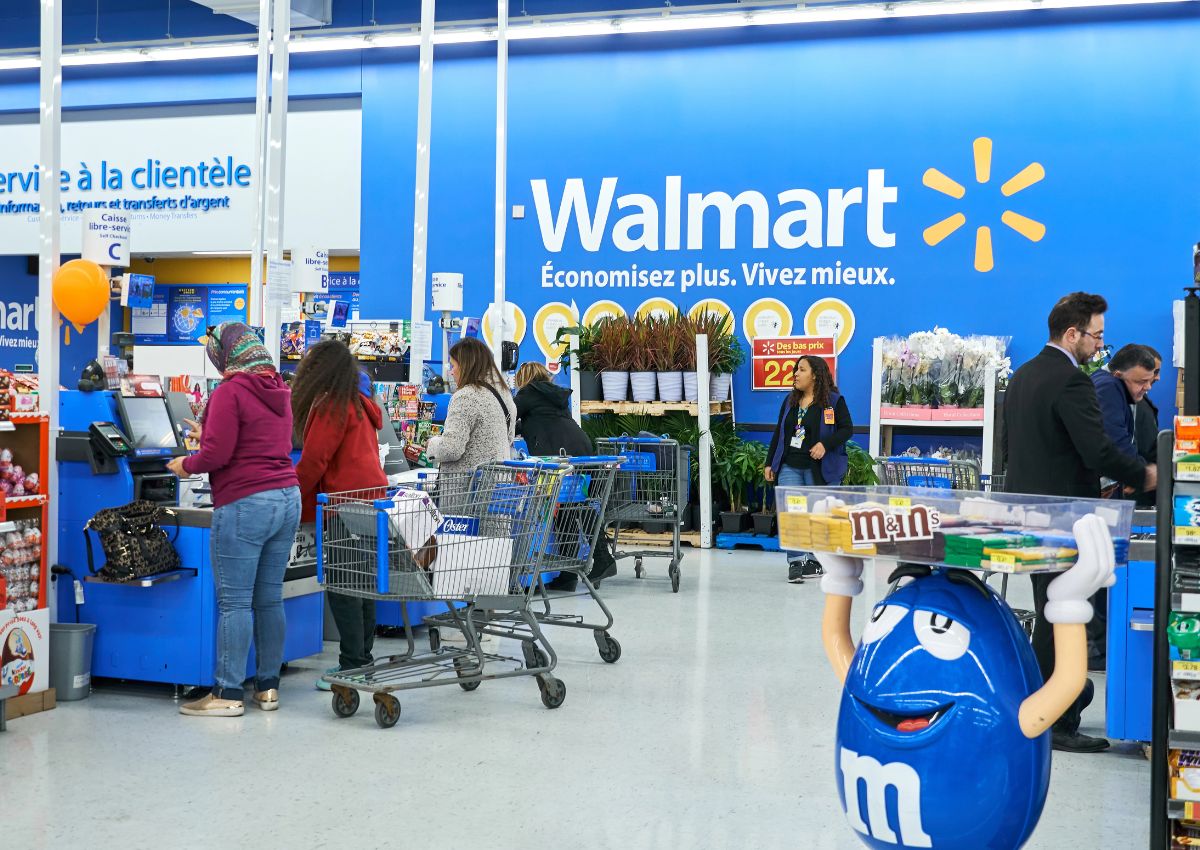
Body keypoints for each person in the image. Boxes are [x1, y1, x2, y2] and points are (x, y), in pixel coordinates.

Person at [1000, 292, 1155, 753]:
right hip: (1066, 513)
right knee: (1064, 615)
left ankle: (1056, 703)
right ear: (1073, 334)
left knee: (1049, 610)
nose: (1099, 346)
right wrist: (1147, 473)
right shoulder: (1072, 381)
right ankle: (1058, 720)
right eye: (1096, 336)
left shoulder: (1023, 376)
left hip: (1028, 509)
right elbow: (1097, 451)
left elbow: (1015, 448)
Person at [167, 322, 301, 718]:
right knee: (268, 597)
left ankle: (226, 693)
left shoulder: (229, 391)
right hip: (285, 498)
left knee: (236, 602)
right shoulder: (279, 389)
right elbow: (258, 440)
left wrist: (184, 465)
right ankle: (268, 688)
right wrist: (208, 431)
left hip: (246, 502)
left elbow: (216, 457)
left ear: (226, 353)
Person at [290, 340, 388, 692]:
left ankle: (352, 665)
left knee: (344, 584)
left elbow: (315, 460)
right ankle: (363, 658)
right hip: (372, 499)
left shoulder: (331, 403)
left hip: (344, 503)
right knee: (363, 583)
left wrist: (291, 495)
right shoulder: (362, 402)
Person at [512, 362, 617, 591]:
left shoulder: (528, 392)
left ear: (524, 378)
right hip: (580, 447)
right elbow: (541, 421)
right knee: (573, 505)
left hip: (561, 454)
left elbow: (509, 415)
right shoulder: (553, 396)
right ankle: (571, 573)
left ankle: (601, 561)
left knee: (568, 507)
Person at [1089, 343, 1158, 671]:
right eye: (1141, 380)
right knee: (1102, 574)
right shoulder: (1109, 389)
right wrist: (1142, 474)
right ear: (1119, 374)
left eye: (1152, 379)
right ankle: (1100, 648)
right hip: (1102, 497)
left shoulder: (1114, 389)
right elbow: (1115, 443)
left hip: (1108, 493)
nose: (1147, 386)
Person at [764, 355, 853, 584]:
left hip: (820, 469)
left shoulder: (834, 401)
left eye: (801, 369)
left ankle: (815, 561)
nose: (795, 373)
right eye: (796, 369)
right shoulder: (790, 401)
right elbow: (779, 433)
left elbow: (847, 430)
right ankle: (795, 562)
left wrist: (825, 445)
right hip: (790, 466)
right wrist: (769, 462)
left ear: (815, 374)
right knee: (792, 515)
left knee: (818, 515)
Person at [426, 337, 516, 475]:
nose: (451, 372)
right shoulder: (504, 393)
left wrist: (432, 444)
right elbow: (509, 437)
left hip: (468, 486)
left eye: (453, 366)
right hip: (499, 484)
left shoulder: (466, 396)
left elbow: (451, 449)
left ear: (466, 366)